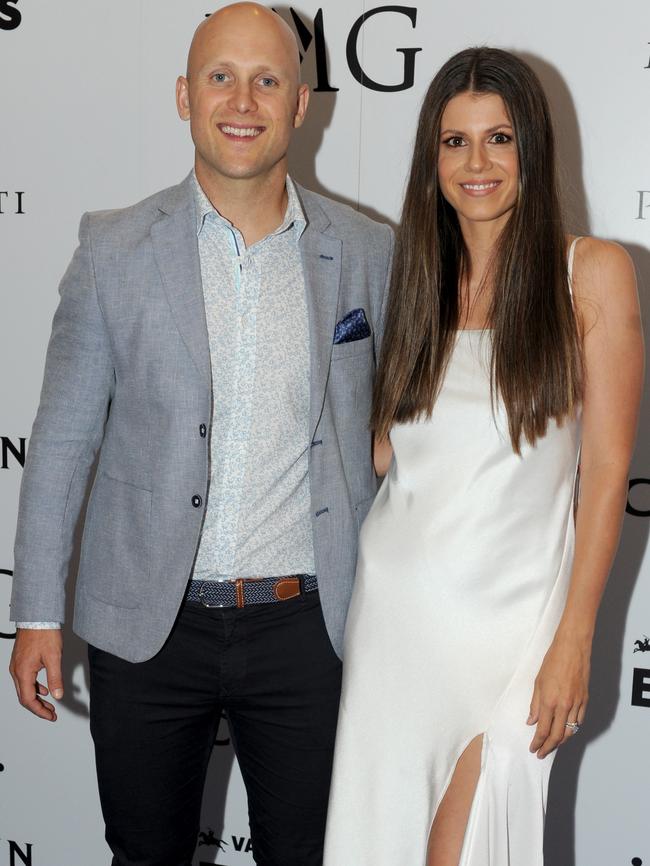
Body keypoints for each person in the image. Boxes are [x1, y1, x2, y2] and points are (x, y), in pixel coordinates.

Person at [7, 4, 393, 865]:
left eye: (268, 80)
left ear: (301, 102)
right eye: (221, 77)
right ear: (184, 95)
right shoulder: (112, 250)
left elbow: (405, 421)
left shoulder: (369, 251)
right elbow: (63, 438)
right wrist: (35, 612)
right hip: (151, 627)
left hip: (312, 627)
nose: (243, 100)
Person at [323, 47, 643, 866]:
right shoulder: (411, 283)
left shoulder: (590, 274)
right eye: (454, 141)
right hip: (396, 626)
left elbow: (605, 473)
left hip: (512, 638)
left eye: (498, 139)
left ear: (531, 147)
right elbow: (386, 457)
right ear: (431, 158)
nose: (477, 163)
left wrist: (577, 639)